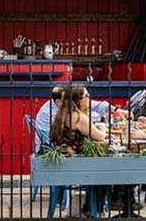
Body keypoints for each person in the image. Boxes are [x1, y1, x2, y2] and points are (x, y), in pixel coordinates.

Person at [50, 86, 110, 215]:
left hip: (64, 163)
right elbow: (100, 136)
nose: (89, 98)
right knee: (108, 171)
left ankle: (91, 207)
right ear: (78, 100)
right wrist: (103, 127)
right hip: (75, 166)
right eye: (86, 96)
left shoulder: (62, 114)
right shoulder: (78, 117)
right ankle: (93, 209)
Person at [35, 85, 118, 136]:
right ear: (58, 102)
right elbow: (80, 122)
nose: (71, 100)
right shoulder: (49, 112)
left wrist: (116, 110)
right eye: (67, 98)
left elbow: (94, 105)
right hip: (49, 149)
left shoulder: (61, 105)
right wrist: (100, 119)